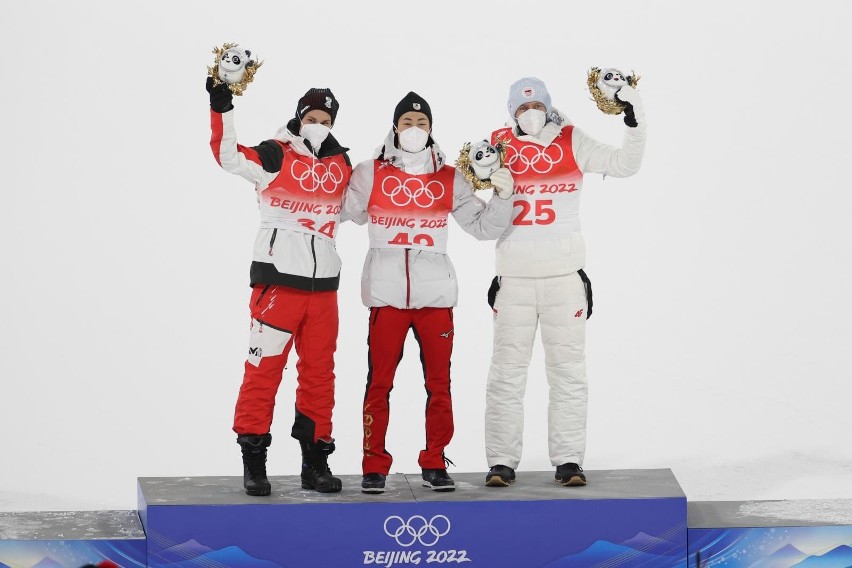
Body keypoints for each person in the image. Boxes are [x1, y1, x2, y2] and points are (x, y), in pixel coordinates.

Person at [341, 92, 515, 494]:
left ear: (431, 129)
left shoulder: (452, 177)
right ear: (395, 127)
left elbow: (484, 228)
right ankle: (374, 465)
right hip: (386, 296)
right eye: (407, 123)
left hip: (435, 298)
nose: (414, 130)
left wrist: (503, 196)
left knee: (439, 382)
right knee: (378, 382)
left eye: (421, 124)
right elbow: (337, 210)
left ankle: (435, 461)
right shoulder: (370, 172)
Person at [483, 76, 646, 487]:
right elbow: (476, 204)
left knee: (568, 373)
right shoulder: (498, 142)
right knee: (506, 373)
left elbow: (626, 165)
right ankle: (501, 461)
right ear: (511, 114)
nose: (529, 113)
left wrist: (634, 116)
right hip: (515, 279)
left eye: (535, 104)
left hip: (564, 278)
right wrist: (495, 191)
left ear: (549, 106)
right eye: (521, 108)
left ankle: (569, 460)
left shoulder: (572, 139)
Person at [207, 77, 353, 495]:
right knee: (263, 371)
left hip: (324, 287)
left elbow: (361, 206)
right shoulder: (276, 154)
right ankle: (254, 461)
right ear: (299, 117)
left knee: (320, 375)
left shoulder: (341, 164)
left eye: (325, 119)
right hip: (277, 286)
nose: (318, 124)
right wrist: (222, 107)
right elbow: (229, 156)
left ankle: (316, 463)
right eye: (312, 117)